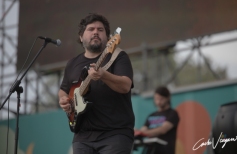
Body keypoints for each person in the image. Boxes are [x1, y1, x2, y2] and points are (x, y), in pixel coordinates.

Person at [58, 13, 135, 154]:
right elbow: (64, 90)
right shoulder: (72, 64)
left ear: (107, 37)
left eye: (100, 30)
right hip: (82, 136)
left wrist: (103, 75)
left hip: (115, 134)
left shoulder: (118, 56)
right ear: (81, 37)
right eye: (91, 29)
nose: (95, 32)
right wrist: (63, 100)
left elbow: (125, 86)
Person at [135, 86, 179, 154]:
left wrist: (143, 133)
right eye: (156, 99)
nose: (158, 101)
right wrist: (137, 132)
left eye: (161, 99)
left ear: (168, 98)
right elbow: (143, 129)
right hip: (151, 150)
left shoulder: (172, 113)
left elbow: (163, 130)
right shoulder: (151, 115)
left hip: (165, 151)